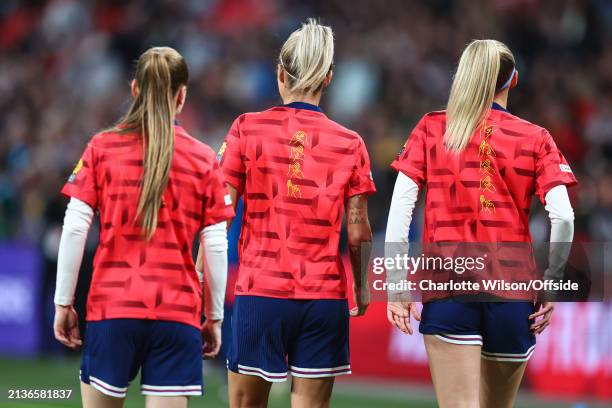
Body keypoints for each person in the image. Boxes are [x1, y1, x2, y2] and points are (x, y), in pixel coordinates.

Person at [385, 39, 577, 408]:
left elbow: (401, 206)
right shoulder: (537, 138)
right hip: (512, 292)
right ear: (514, 80)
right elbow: (564, 215)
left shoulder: (432, 127)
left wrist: (396, 283)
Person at [53, 46, 234, 408]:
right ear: (181, 96)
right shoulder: (203, 158)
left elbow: (74, 228)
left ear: (135, 89)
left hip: (111, 308)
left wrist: (63, 303)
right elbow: (215, 245)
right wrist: (214, 317)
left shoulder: (102, 147)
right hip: (176, 313)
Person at [217, 19, 376, 408]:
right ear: (329, 79)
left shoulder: (245, 129)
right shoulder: (351, 144)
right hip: (323, 299)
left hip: (259, 293)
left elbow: (218, 212)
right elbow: (358, 234)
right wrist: (361, 286)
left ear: (280, 74)